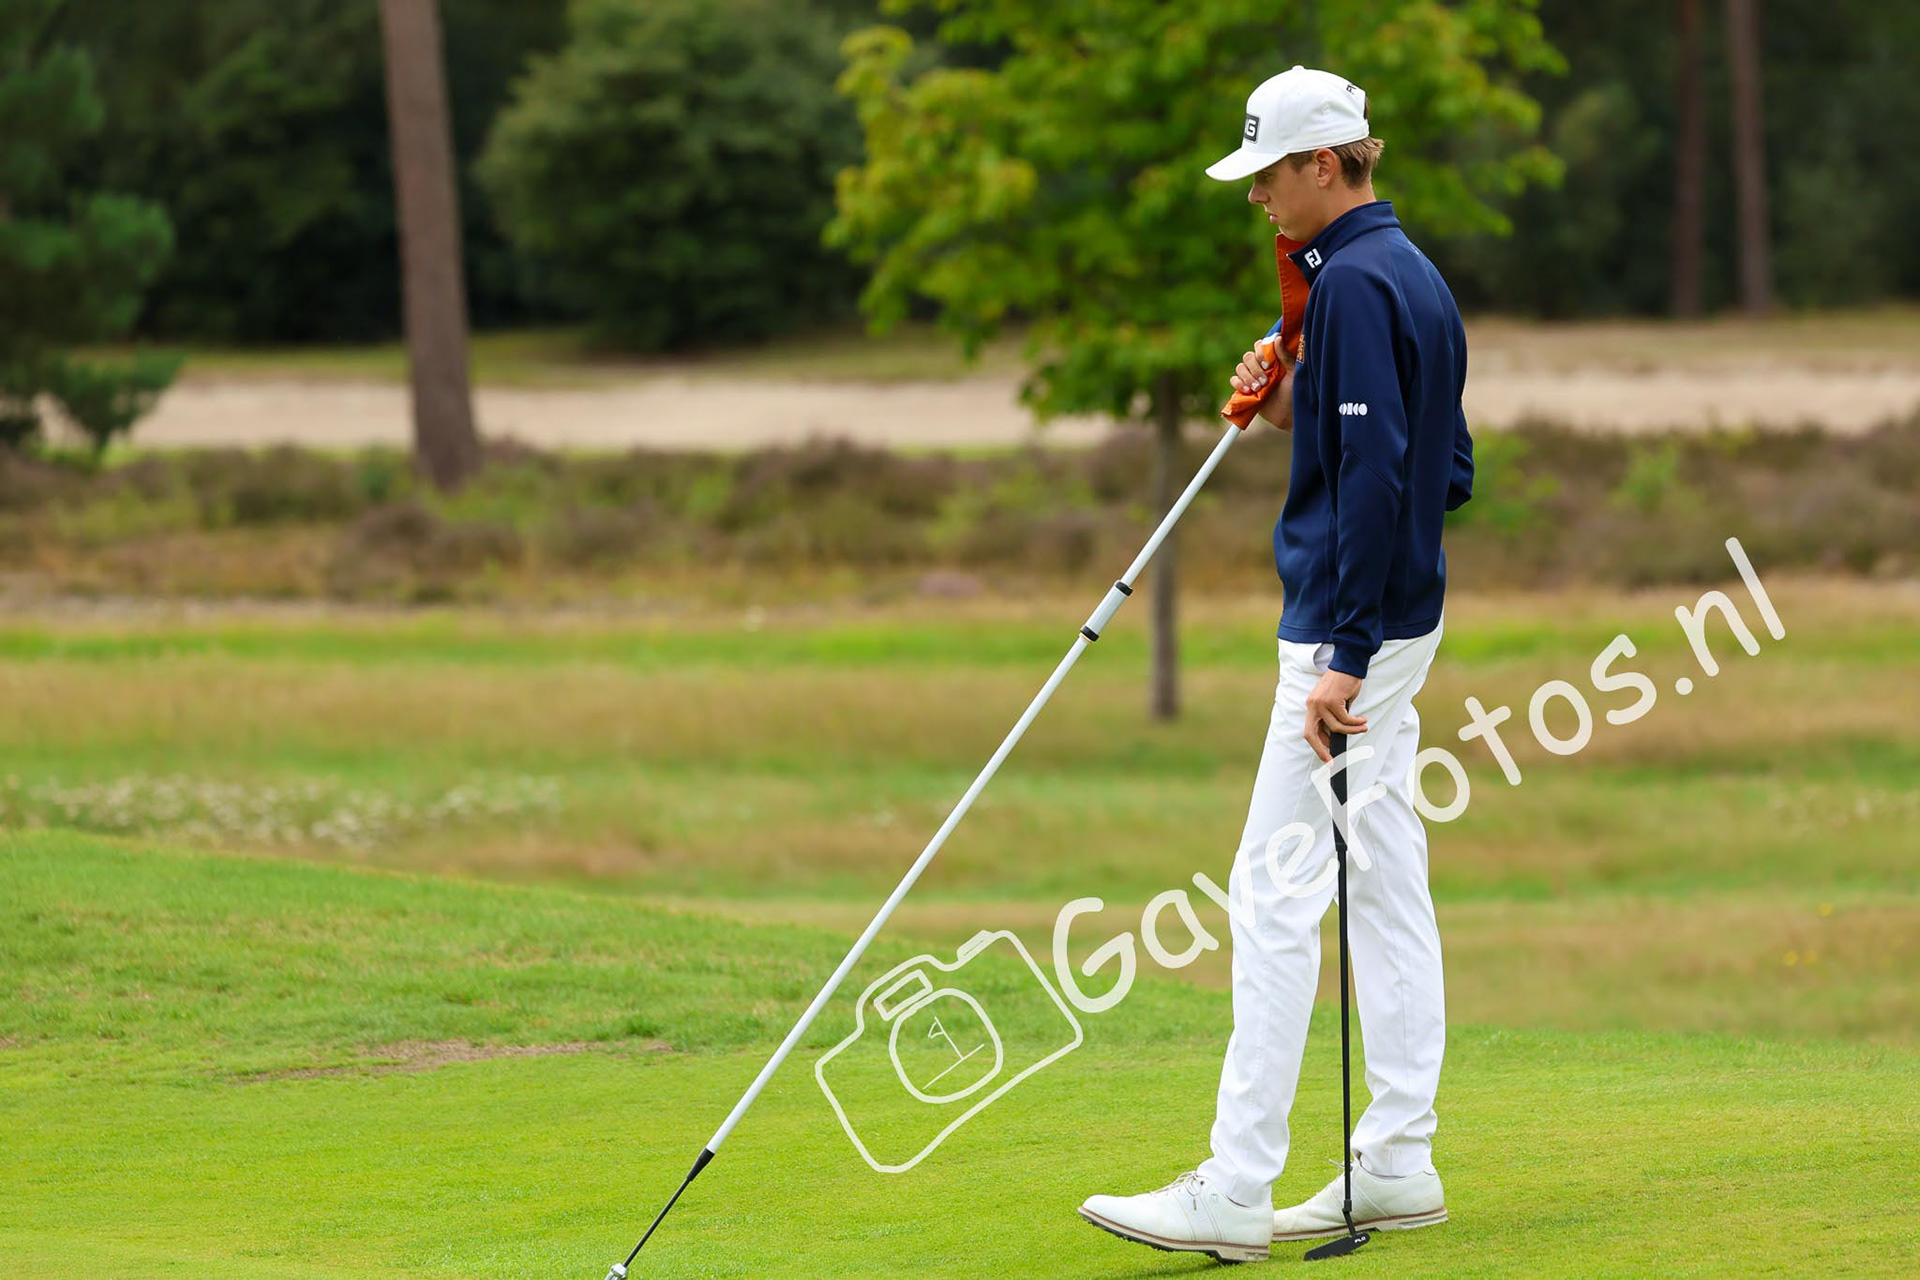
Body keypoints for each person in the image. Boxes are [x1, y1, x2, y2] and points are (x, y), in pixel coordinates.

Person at [1077, 65, 1475, 1263]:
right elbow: (1446, 468)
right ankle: (1397, 1157)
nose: (1256, 197)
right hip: (1400, 624)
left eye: (1266, 175)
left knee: (1273, 888)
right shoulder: (1399, 273)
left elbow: (1379, 483)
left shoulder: (1356, 283)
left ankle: (1237, 1184)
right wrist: (1297, 355)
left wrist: (1345, 653)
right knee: (1386, 873)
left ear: (1321, 163)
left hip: (1345, 640)